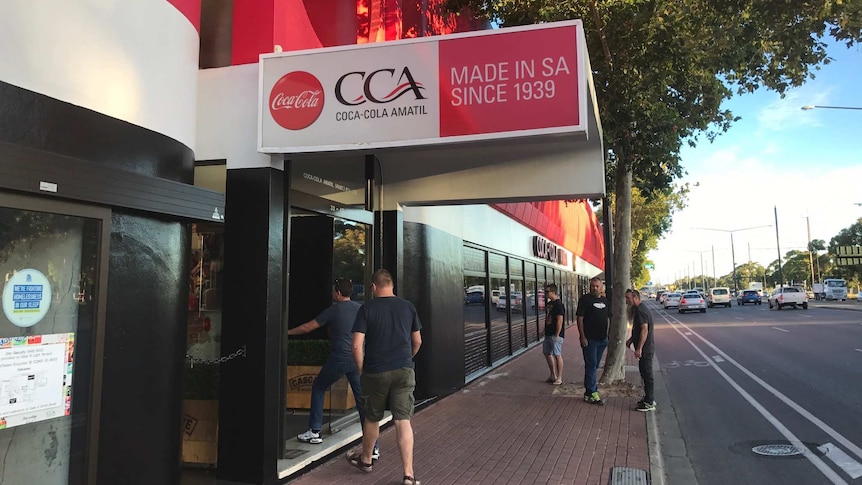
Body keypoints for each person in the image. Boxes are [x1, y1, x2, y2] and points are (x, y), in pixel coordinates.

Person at [288, 278, 379, 460]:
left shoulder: (334, 310)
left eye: (333, 292)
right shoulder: (361, 309)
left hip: (339, 359)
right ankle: (373, 447)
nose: (332, 294)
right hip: (357, 359)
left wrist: (286, 332)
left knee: (319, 386)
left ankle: (314, 431)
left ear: (338, 293)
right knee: (362, 402)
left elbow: (308, 327)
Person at [348, 269, 422, 485]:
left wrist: (361, 368)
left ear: (373, 287)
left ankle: (366, 460)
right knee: (403, 421)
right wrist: (406, 359)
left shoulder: (366, 308)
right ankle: (408, 474)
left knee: (372, 417)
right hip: (403, 370)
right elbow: (417, 341)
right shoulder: (408, 306)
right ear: (392, 285)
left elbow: (355, 345)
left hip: (375, 371)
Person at [576, 277, 609, 404]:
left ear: (601, 287)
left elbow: (608, 318)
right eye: (593, 286)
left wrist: (608, 335)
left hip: (602, 340)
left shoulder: (605, 300)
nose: (594, 288)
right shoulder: (584, 300)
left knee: (594, 366)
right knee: (591, 365)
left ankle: (588, 393)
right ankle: (593, 392)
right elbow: (580, 319)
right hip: (589, 340)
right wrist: (582, 336)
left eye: (597, 286)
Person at [625, 289, 656, 412]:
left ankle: (649, 402)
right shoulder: (640, 309)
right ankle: (648, 398)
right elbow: (639, 330)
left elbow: (644, 330)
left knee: (647, 374)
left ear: (635, 298)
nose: (626, 301)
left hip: (646, 348)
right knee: (644, 373)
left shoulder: (641, 311)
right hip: (645, 348)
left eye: (628, 298)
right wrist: (632, 339)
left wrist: (639, 348)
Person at [543, 283, 565, 386]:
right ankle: (553, 374)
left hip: (555, 334)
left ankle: (559, 377)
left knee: (557, 354)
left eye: (547, 292)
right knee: (547, 352)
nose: (546, 294)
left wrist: (557, 335)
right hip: (548, 333)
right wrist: (544, 331)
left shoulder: (558, 304)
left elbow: (559, 321)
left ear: (553, 292)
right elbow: (548, 318)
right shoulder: (549, 304)